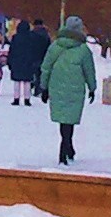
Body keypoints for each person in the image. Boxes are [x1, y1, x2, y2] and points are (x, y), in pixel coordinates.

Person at [40, 17, 98, 165]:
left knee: (63, 120)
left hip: (57, 87)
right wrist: (92, 88)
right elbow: (89, 71)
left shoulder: (55, 47)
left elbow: (46, 68)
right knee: (69, 120)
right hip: (75, 90)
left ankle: (66, 146)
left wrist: (44, 87)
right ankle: (67, 146)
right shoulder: (84, 50)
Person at [7, 17, 48, 107]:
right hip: (28, 62)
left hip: (17, 62)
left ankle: (16, 99)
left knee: (17, 81)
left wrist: (9, 62)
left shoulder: (15, 37)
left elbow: (12, 50)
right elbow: (35, 50)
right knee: (27, 82)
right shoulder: (32, 37)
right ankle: (27, 99)